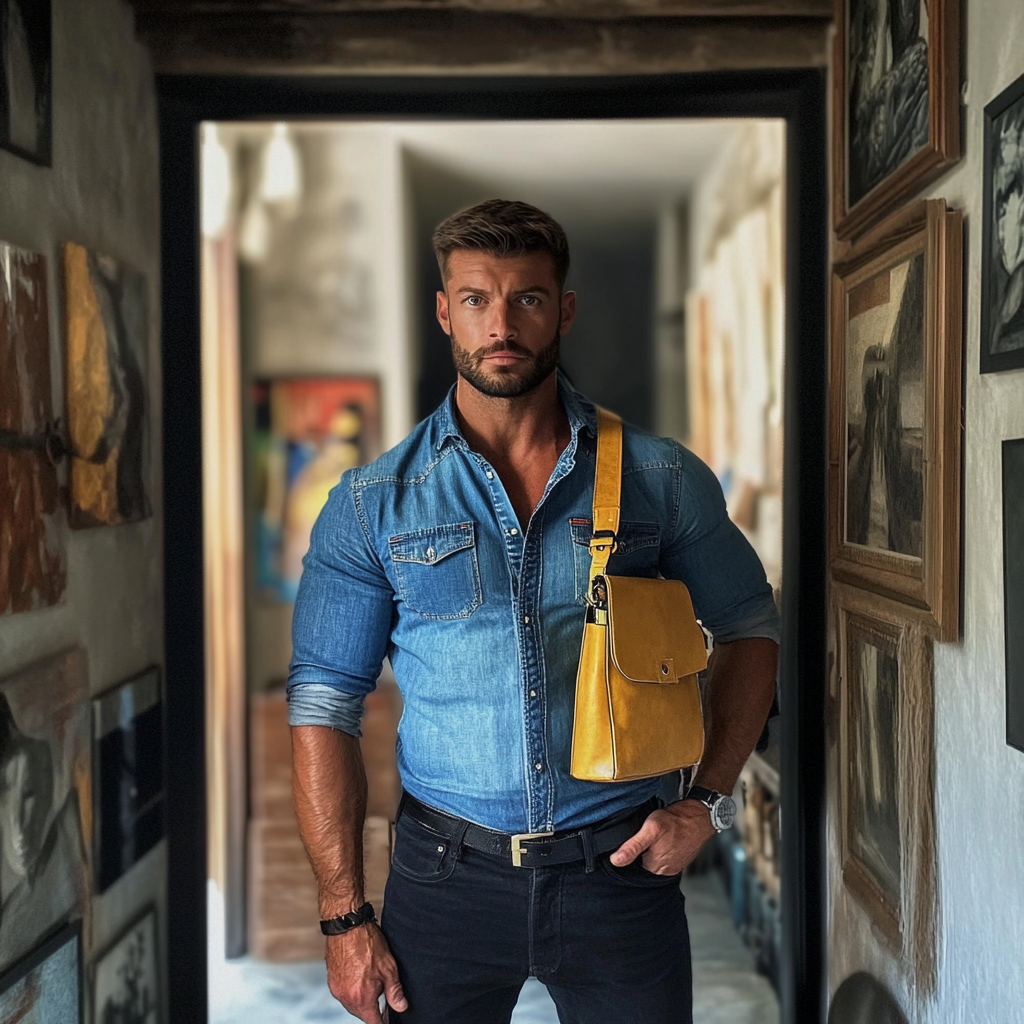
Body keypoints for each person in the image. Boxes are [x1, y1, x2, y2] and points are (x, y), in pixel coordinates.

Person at [287, 199, 779, 1024]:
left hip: (621, 869)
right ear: (445, 311)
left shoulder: (660, 477)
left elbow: (749, 628)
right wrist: (344, 916)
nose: (500, 323)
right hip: (443, 880)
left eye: (528, 298)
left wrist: (710, 804)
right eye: (476, 299)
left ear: (565, 309)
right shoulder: (375, 503)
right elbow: (323, 706)